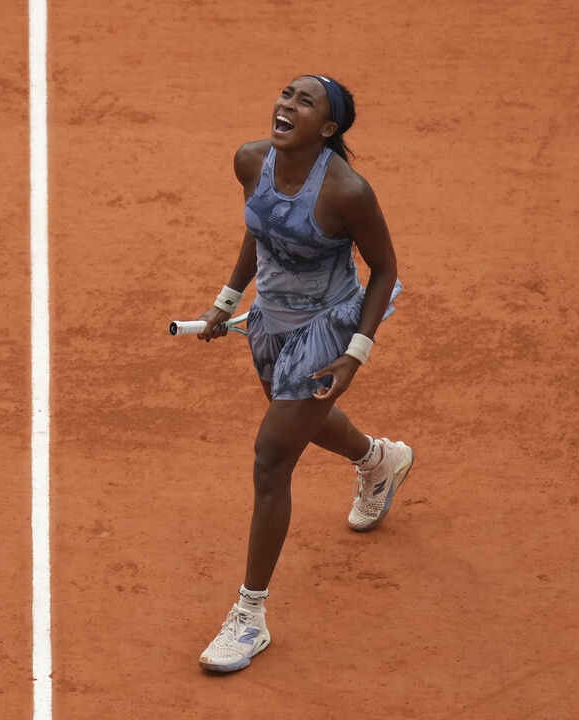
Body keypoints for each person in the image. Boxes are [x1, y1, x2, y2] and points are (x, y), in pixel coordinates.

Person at [194, 75, 415, 673]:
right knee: (304, 424)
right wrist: (226, 299)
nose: (286, 106)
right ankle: (379, 460)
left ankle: (249, 616)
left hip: (329, 326)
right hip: (269, 322)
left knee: (272, 455)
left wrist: (356, 352)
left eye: (304, 102)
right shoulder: (251, 160)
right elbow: (259, 222)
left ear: (329, 128)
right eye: (286, 95)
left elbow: (386, 267)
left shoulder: (348, 192)